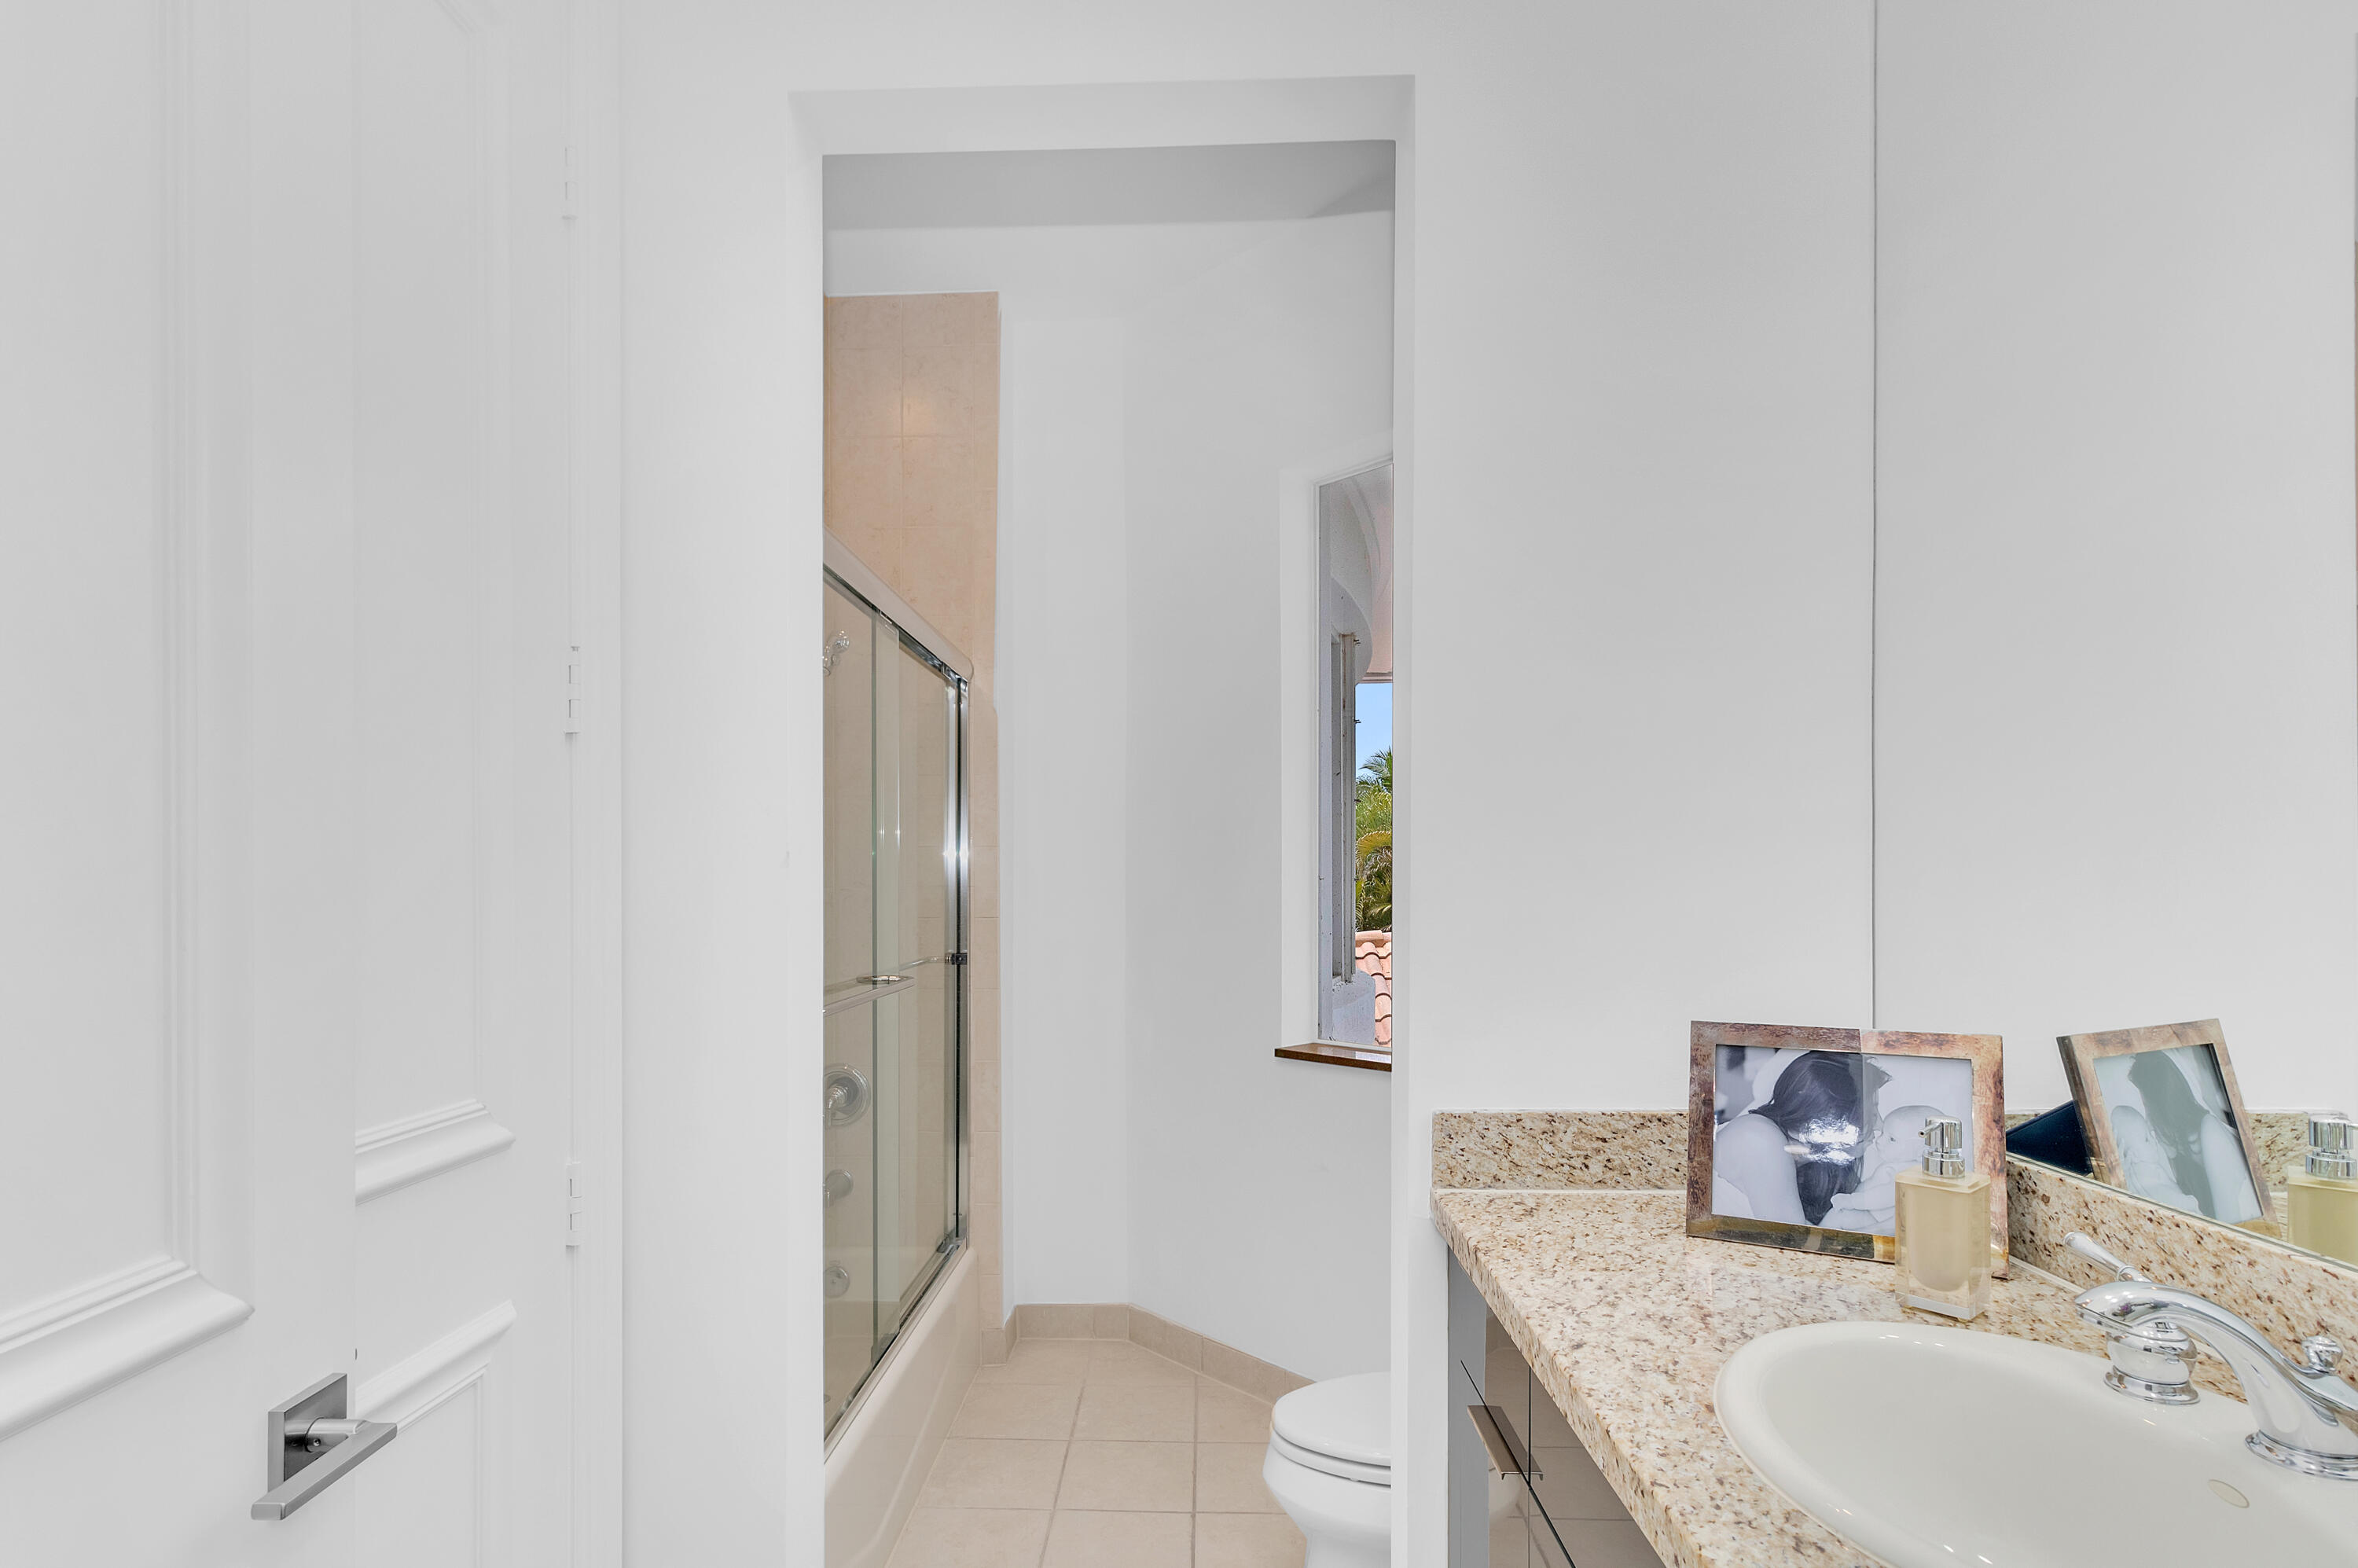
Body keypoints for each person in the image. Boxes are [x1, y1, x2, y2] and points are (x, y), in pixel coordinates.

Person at [1714, 1050, 1882, 1227]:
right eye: (1869, 1115)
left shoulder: (1816, 1164)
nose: (1880, 1126)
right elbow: (1789, 1241)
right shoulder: (1757, 1139)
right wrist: (1841, 1219)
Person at [2124, 1051, 2261, 1223]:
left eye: (2147, 1108)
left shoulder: (2211, 1131)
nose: (2149, 1123)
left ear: (2165, 1108)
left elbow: (2227, 1229)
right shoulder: (2185, 1158)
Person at [1819, 1103, 1944, 1236]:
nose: (1879, 1140)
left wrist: (1852, 1201)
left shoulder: (1909, 1173)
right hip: (1871, 1217)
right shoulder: (1900, 1166)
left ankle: (1814, 1240)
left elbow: (1888, 1196)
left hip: (1877, 1223)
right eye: (1883, 1132)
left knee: (1839, 1216)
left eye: (1892, 1139)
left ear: (1921, 1152)